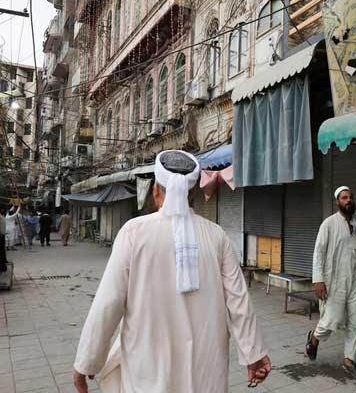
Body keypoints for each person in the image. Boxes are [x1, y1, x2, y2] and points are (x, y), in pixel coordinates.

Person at [73, 150, 271, 393]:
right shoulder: (216, 235)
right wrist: (254, 353)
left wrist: (87, 361)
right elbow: (239, 302)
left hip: (147, 373)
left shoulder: (134, 232)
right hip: (205, 373)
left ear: (156, 189)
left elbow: (108, 302)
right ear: (195, 193)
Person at [305, 186, 356, 379]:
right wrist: (318, 280)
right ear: (337, 201)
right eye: (344, 198)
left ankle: (349, 360)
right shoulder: (329, 224)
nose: (348, 200)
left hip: (355, 279)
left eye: (350, 197)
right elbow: (318, 252)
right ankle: (314, 339)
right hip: (334, 280)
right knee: (332, 320)